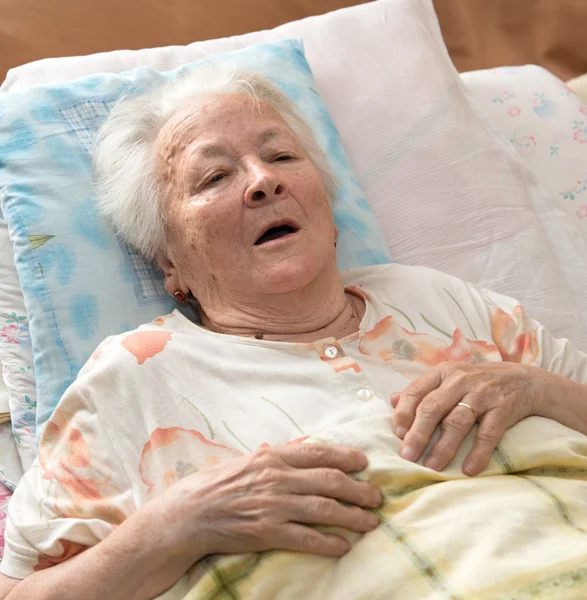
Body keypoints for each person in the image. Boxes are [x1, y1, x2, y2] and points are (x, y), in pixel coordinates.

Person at [1, 69, 587, 600]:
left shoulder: (439, 298)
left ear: (329, 210)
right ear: (169, 261)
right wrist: (174, 524)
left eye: (281, 156)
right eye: (214, 177)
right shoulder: (131, 380)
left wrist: (539, 390)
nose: (262, 182)